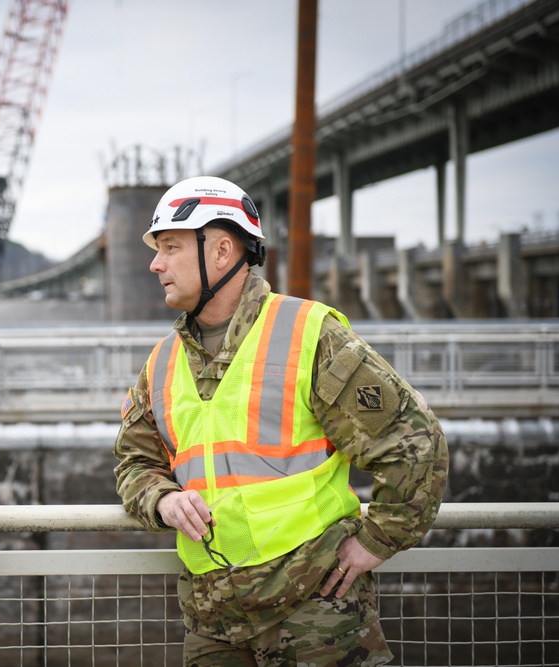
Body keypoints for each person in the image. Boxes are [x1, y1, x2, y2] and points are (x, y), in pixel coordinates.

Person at [113, 176, 448, 666]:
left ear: (222, 250)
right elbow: (133, 461)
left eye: (170, 246)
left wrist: (377, 542)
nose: (155, 263)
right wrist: (160, 498)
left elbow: (414, 443)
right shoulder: (162, 361)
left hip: (316, 615)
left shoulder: (309, 335)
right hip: (214, 620)